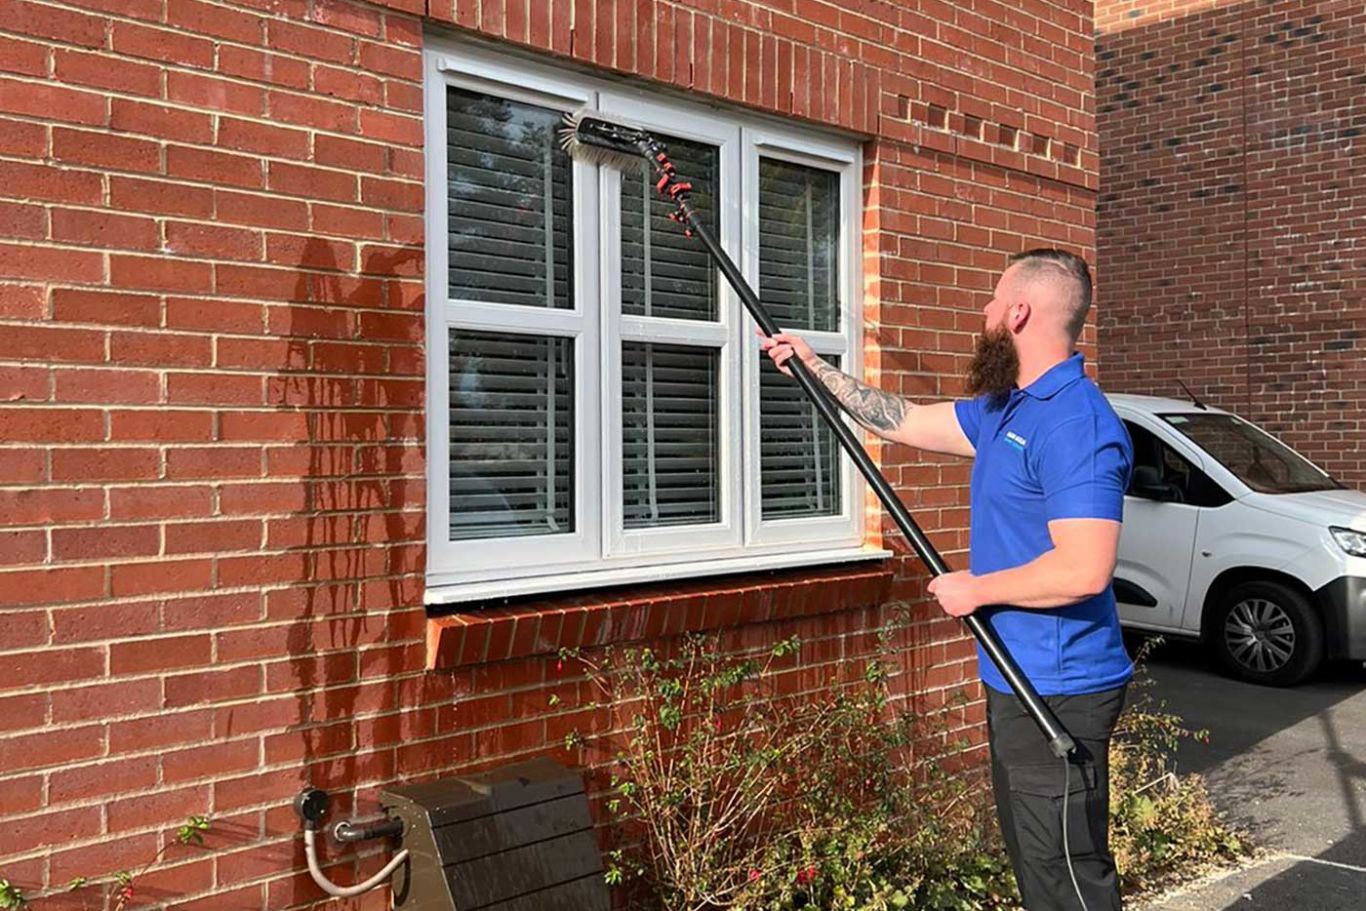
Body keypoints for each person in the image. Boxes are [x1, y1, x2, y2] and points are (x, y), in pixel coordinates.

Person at [760, 248, 1133, 911]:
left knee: (1067, 876)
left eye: (992, 301)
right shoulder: (1005, 410)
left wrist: (977, 588)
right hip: (1014, 677)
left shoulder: (1077, 423)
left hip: (1061, 686)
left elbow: (1084, 568)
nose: (984, 312)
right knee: (1035, 863)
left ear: (1018, 312)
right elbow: (898, 418)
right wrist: (817, 370)